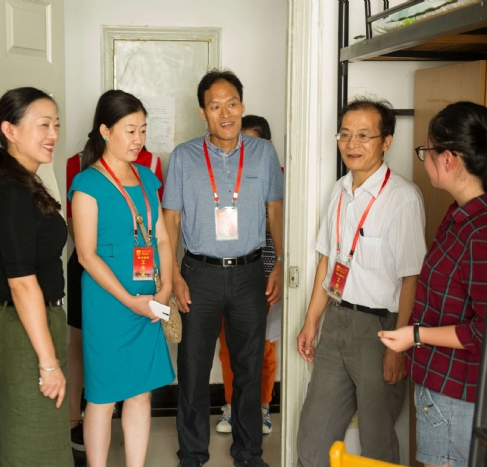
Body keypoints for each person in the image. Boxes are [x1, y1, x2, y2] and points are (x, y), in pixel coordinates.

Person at [379, 101, 487, 467]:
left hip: (461, 397)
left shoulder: (484, 233)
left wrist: (415, 335)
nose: (423, 160)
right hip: (448, 391)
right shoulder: (462, 215)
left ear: (448, 159)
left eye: (426, 151)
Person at [296, 96, 426, 467]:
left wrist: (396, 348)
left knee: (377, 443)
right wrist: (311, 322)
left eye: (364, 135)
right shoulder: (340, 190)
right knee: (314, 439)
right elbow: (328, 260)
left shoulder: (402, 198)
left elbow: (412, 279)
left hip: (381, 330)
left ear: (386, 142)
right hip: (336, 322)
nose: (352, 143)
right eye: (345, 134)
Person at [163, 70, 284, 467]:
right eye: (215, 106)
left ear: (242, 105)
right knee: (193, 368)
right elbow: (171, 219)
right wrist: (173, 274)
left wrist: (280, 263)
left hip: (250, 273)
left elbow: (275, 211)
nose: (226, 113)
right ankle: (192, 454)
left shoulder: (264, 153)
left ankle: (248, 453)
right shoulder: (184, 157)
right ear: (203, 112)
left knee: (248, 367)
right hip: (199, 274)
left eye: (232, 103)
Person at [69, 89, 175, 467]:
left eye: (143, 130)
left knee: (141, 392)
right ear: (105, 131)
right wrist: (131, 301)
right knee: (102, 396)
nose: (138, 139)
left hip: (149, 297)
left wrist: (165, 288)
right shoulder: (87, 183)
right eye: (130, 131)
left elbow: (162, 238)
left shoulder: (146, 178)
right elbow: (86, 255)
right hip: (108, 303)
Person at [0, 87, 72, 466]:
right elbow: (21, 282)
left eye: (56, 125)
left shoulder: (25, 183)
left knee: (37, 439)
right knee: (29, 445)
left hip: (36, 322)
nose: (53, 134)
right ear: (10, 130)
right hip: (22, 328)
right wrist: (48, 362)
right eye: (43, 125)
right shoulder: (12, 192)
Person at [216, 115, 279, 436]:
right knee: (229, 347)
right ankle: (232, 405)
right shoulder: (227, 176)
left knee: (263, 348)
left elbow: (281, 223)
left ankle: (263, 406)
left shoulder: (277, 178)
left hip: (266, 275)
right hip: (230, 274)